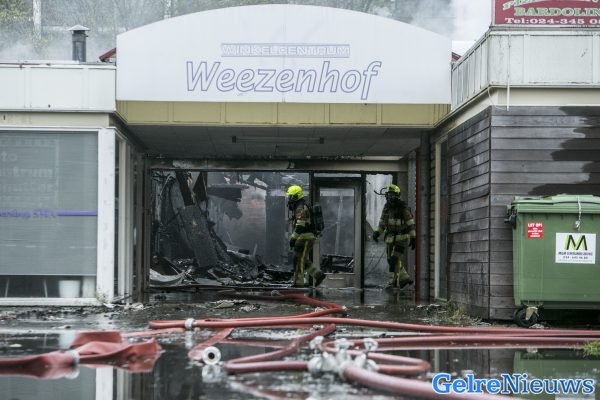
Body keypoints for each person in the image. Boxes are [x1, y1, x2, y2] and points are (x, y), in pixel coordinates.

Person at [372, 184, 416, 288]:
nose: (389, 197)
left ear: (397, 195)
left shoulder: (403, 208)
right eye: (388, 195)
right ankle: (402, 279)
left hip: (402, 238)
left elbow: (410, 223)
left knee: (394, 259)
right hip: (390, 238)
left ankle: (395, 281)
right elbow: (382, 223)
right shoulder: (386, 208)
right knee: (390, 260)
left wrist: (413, 237)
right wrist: (377, 233)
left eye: (392, 194)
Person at [287, 185, 326, 288]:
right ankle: (318, 275)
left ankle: (298, 283)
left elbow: (300, 226)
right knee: (299, 258)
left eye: (290, 197)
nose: (289, 199)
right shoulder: (301, 206)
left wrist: (293, 238)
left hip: (305, 237)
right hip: (303, 237)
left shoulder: (300, 208)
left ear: (296, 196)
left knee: (300, 260)